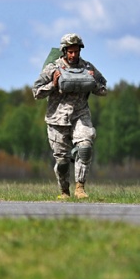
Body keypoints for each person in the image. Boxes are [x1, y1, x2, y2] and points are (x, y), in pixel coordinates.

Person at [32, 33, 107, 199]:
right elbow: (36, 92)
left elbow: (103, 89)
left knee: (85, 147)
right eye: (70, 52)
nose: (74, 55)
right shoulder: (53, 68)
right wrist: (52, 83)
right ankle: (64, 191)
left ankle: (80, 187)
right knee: (62, 161)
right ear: (64, 51)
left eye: (76, 51)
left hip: (80, 114)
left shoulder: (88, 68)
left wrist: (94, 82)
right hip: (57, 118)